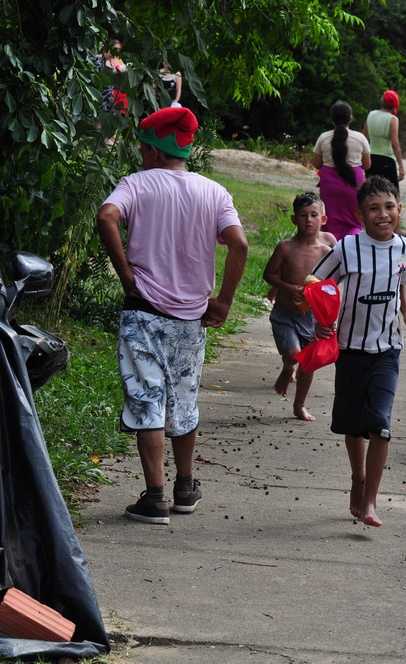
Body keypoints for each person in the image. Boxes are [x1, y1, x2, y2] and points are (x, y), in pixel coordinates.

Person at [96, 107, 249, 525]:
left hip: (144, 311)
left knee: (148, 400)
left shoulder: (136, 184)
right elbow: (240, 246)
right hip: (190, 319)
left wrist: (126, 273)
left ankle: (155, 497)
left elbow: (107, 217)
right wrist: (225, 301)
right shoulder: (214, 193)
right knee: (182, 400)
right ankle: (185, 486)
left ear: (152, 150)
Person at [310, 175, 406, 527]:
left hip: (388, 349)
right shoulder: (346, 249)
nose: (383, 214)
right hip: (351, 349)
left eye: (389, 207)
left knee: (380, 424)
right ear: (360, 216)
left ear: (399, 209)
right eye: (374, 208)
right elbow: (316, 283)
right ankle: (358, 478)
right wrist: (320, 320)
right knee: (353, 427)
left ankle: (371, 500)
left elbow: (401, 286)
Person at [262, 191, 335, 421]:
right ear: (294, 219)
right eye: (303, 215)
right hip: (285, 314)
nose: (309, 220)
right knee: (296, 355)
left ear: (323, 219)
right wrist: (285, 287)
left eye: (314, 215)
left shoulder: (328, 247)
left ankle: (299, 405)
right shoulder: (286, 247)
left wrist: (329, 312)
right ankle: (287, 368)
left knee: (309, 364)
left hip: (312, 318)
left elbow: (334, 282)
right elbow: (269, 274)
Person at [312, 100, 372, 240]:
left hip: (329, 182)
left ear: (332, 119)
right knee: (354, 218)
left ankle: (330, 246)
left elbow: (317, 163)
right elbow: (367, 165)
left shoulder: (323, 137)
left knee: (329, 217)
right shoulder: (360, 138)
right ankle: (352, 244)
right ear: (350, 117)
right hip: (353, 181)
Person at [363, 90, 405, 188]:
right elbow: (395, 144)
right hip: (387, 160)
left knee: (371, 192)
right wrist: (401, 167)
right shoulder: (393, 119)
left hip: (371, 159)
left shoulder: (371, 114)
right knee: (392, 193)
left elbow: (364, 138)